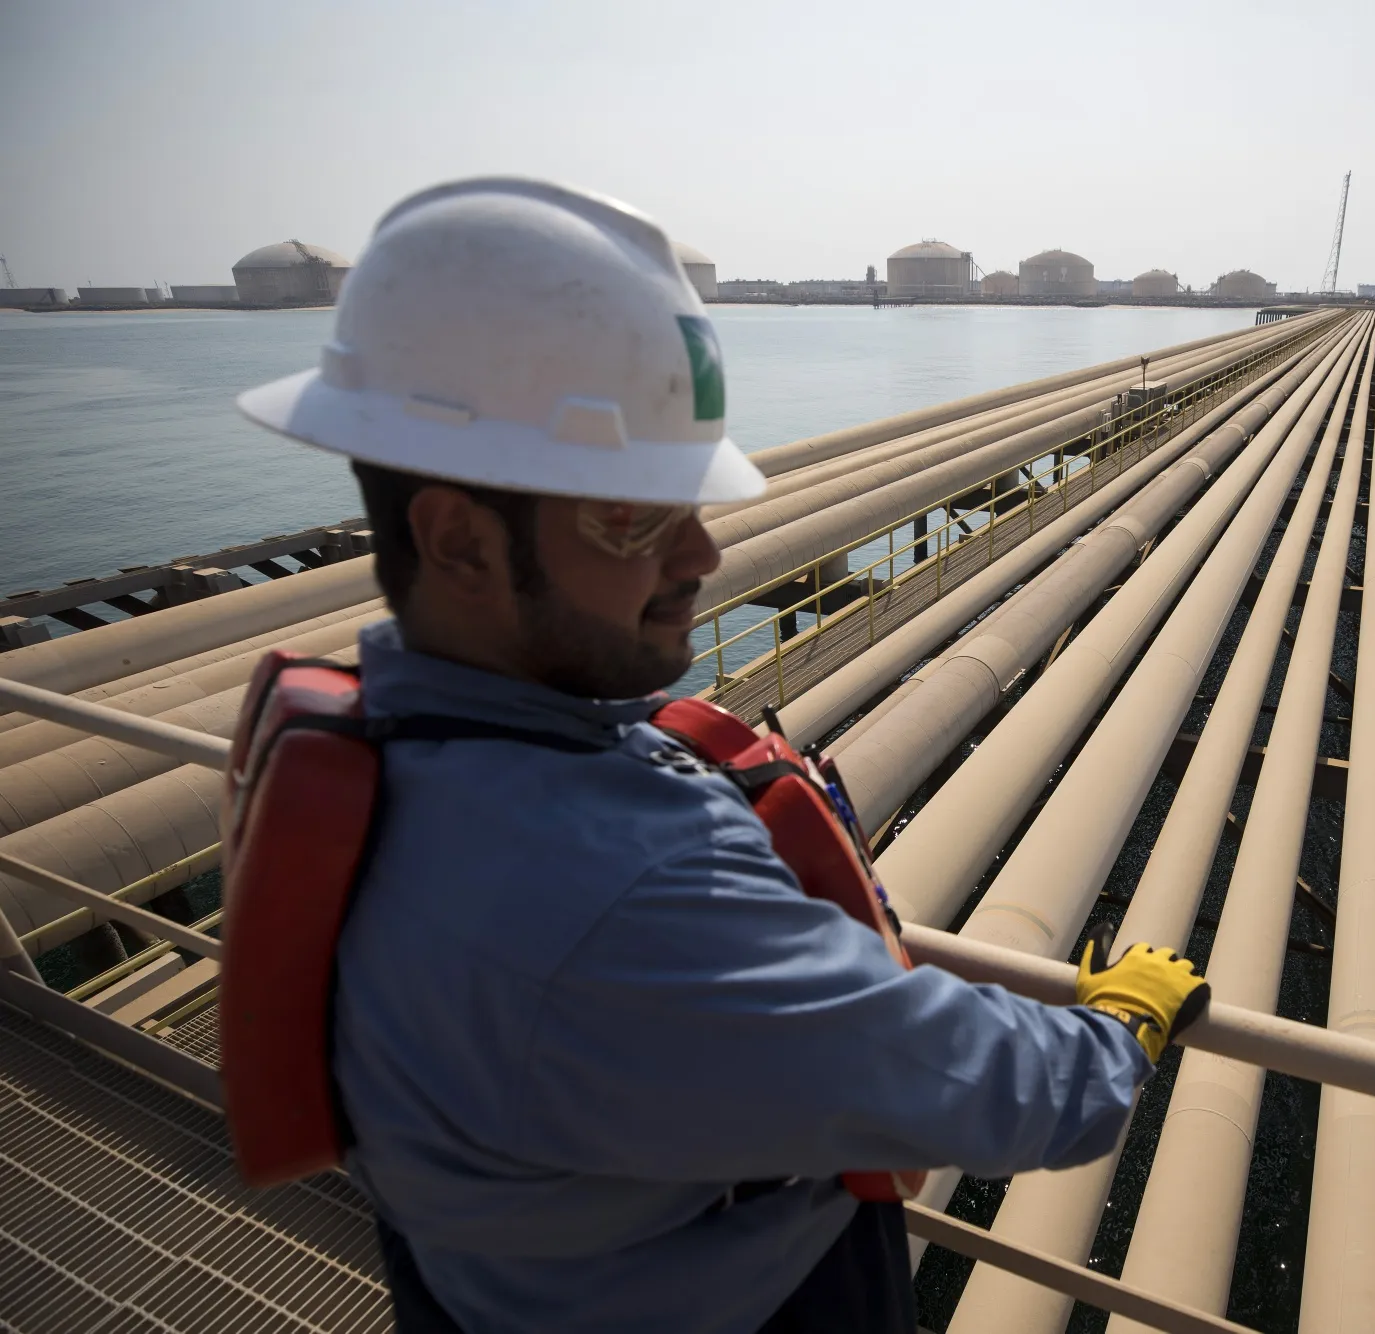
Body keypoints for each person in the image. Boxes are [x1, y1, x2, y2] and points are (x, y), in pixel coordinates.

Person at [237, 178, 1209, 1334]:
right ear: (460, 541)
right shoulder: (632, 894)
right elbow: (1011, 1099)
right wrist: (1120, 1025)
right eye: (635, 515)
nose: (701, 550)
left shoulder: (392, 749)